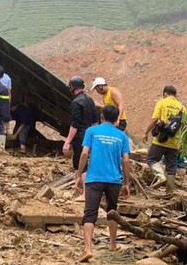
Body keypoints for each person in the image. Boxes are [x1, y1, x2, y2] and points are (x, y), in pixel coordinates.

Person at [76, 105, 130, 263]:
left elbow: (85, 153)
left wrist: (79, 174)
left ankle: (87, 249)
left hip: (94, 178)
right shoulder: (122, 136)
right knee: (112, 211)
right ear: (116, 120)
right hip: (114, 180)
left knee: (90, 213)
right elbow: (126, 160)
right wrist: (126, 183)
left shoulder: (91, 131)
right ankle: (112, 244)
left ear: (101, 117)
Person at [143, 86, 185, 196]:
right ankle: (169, 193)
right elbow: (184, 126)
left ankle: (160, 175)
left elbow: (154, 120)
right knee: (171, 167)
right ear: (175, 94)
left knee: (151, 158)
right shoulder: (182, 107)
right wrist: (182, 143)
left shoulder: (162, 103)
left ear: (165, 93)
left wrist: (146, 133)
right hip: (175, 142)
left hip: (161, 139)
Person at [62, 76, 98, 202]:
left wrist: (67, 141)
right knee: (83, 162)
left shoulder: (76, 102)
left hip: (80, 136)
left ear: (72, 87)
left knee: (80, 163)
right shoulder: (90, 100)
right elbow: (94, 121)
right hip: (90, 134)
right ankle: (79, 188)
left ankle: (85, 193)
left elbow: (75, 124)